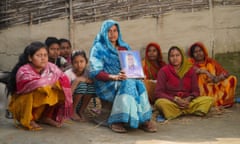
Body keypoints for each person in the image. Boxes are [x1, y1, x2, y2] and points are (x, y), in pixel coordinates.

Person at [89, 19, 156, 133]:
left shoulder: (124, 46)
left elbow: (132, 65)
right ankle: (117, 120)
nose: (112, 34)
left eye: (115, 31)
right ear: (104, 32)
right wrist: (114, 76)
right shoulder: (98, 48)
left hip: (124, 77)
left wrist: (138, 74)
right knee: (128, 83)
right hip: (106, 81)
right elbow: (96, 72)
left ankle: (144, 119)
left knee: (139, 83)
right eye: (109, 31)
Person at [7, 42, 73, 130]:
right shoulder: (24, 71)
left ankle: (45, 116)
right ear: (30, 58)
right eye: (39, 55)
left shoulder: (51, 67)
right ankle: (29, 119)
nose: (43, 58)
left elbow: (63, 78)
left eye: (45, 55)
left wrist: (58, 85)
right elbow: (36, 85)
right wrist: (49, 85)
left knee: (61, 90)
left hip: (40, 98)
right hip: (22, 102)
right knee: (39, 91)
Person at [154, 46, 213, 120]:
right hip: (172, 102)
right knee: (160, 103)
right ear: (169, 58)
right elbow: (158, 93)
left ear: (182, 56)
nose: (175, 58)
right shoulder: (163, 71)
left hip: (188, 102)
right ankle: (186, 111)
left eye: (177, 55)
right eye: (172, 56)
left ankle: (179, 112)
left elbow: (196, 91)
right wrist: (175, 99)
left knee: (208, 100)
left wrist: (189, 98)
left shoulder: (190, 70)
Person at [188, 42, 237, 107]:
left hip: (215, 86)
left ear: (204, 51)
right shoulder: (190, 62)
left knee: (232, 79)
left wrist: (219, 77)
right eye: (195, 52)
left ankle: (222, 101)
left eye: (200, 51)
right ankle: (210, 102)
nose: (198, 53)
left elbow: (225, 73)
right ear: (192, 54)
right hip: (202, 91)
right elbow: (193, 71)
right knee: (201, 75)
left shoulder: (210, 61)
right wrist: (206, 72)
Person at [65, 50, 96, 121]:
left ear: (86, 61)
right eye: (76, 62)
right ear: (72, 63)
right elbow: (67, 95)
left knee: (91, 86)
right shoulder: (68, 74)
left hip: (80, 102)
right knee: (82, 85)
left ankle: (81, 111)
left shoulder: (88, 73)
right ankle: (72, 111)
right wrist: (77, 81)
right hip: (69, 103)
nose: (79, 65)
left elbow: (93, 91)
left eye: (81, 61)